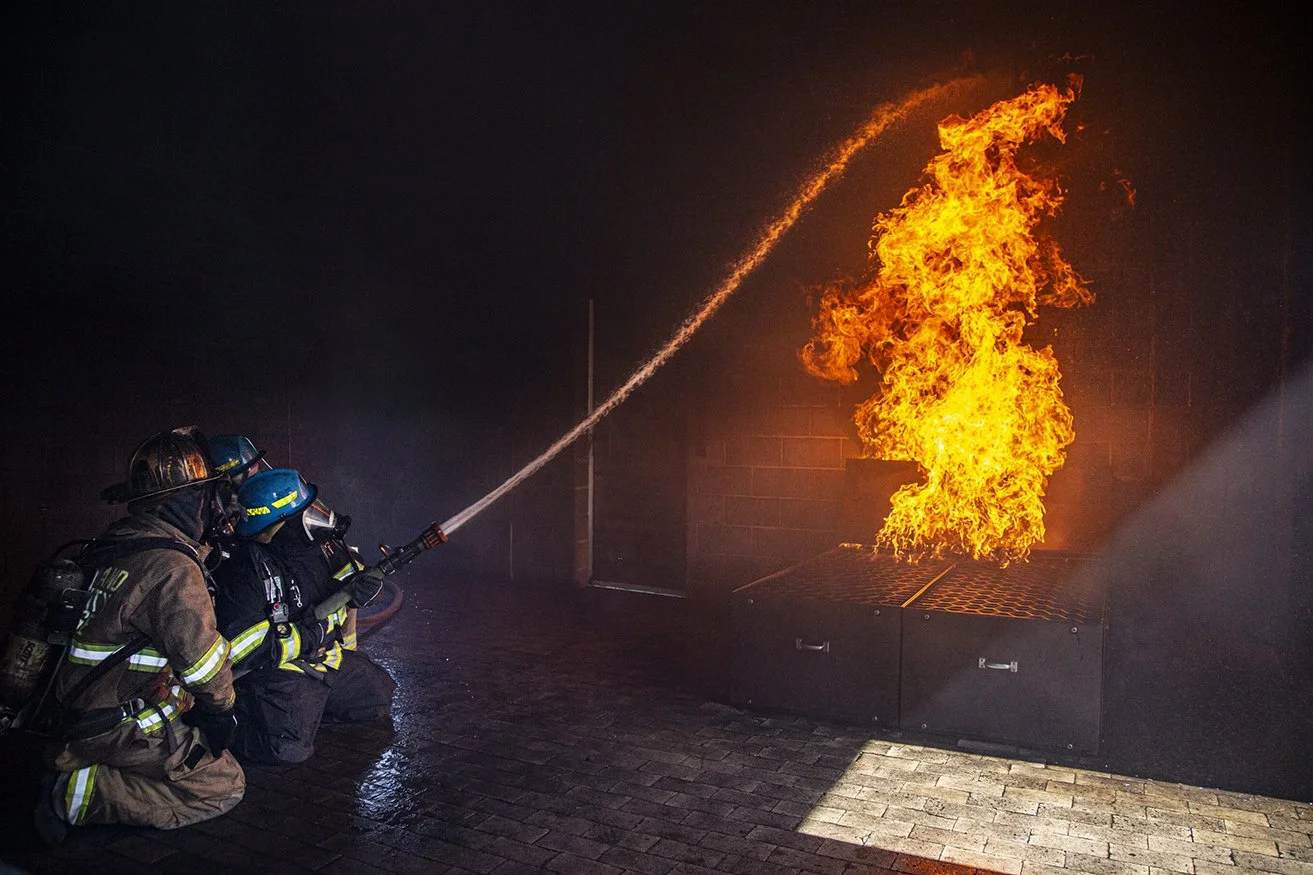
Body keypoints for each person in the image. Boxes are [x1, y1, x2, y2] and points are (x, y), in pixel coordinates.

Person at [34, 426, 245, 843]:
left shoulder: (108, 548)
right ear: (190, 501)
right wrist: (222, 713)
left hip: (69, 712)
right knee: (225, 785)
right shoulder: (170, 568)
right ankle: (81, 792)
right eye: (206, 497)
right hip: (108, 726)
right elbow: (204, 668)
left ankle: (79, 763)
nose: (213, 508)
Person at [212, 468, 395, 765]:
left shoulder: (319, 548)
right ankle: (246, 721)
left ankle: (308, 710)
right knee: (287, 750)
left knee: (376, 698)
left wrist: (365, 588)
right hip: (280, 672)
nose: (315, 515)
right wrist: (312, 633)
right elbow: (244, 647)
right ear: (278, 524)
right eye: (305, 511)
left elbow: (350, 579)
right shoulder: (245, 570)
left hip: (325, 663)